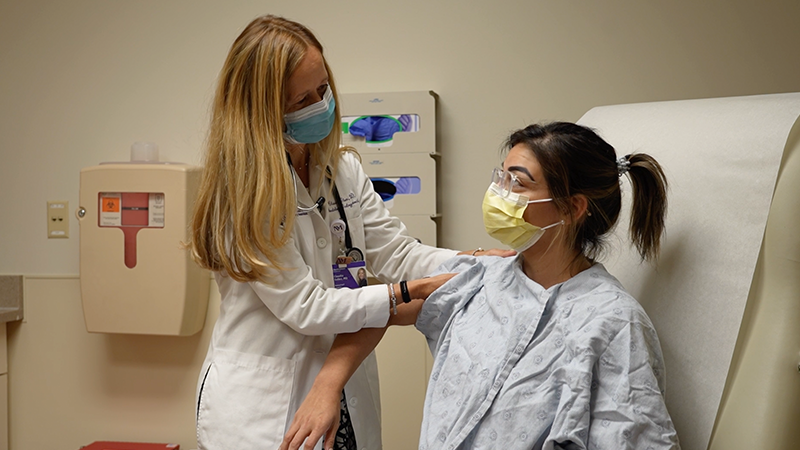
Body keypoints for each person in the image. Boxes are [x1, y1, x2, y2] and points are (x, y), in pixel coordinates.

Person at [189, 15, 511, 450]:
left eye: (323, 88)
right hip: (261, 411)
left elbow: (395, 252)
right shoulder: (244, 192)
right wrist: (406, 292)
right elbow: (308, 307)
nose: (321, 105)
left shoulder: (341, 170)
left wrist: (469, 262)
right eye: (302, 99)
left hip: (341, 396)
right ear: (263, 111)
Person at [282, 122, 680, 449]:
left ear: (573, 207)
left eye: (518, 184)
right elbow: (382, 312)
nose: (499, 195)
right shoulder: (478, 277)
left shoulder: (613, 323)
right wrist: (326, 387)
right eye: (500, 178)